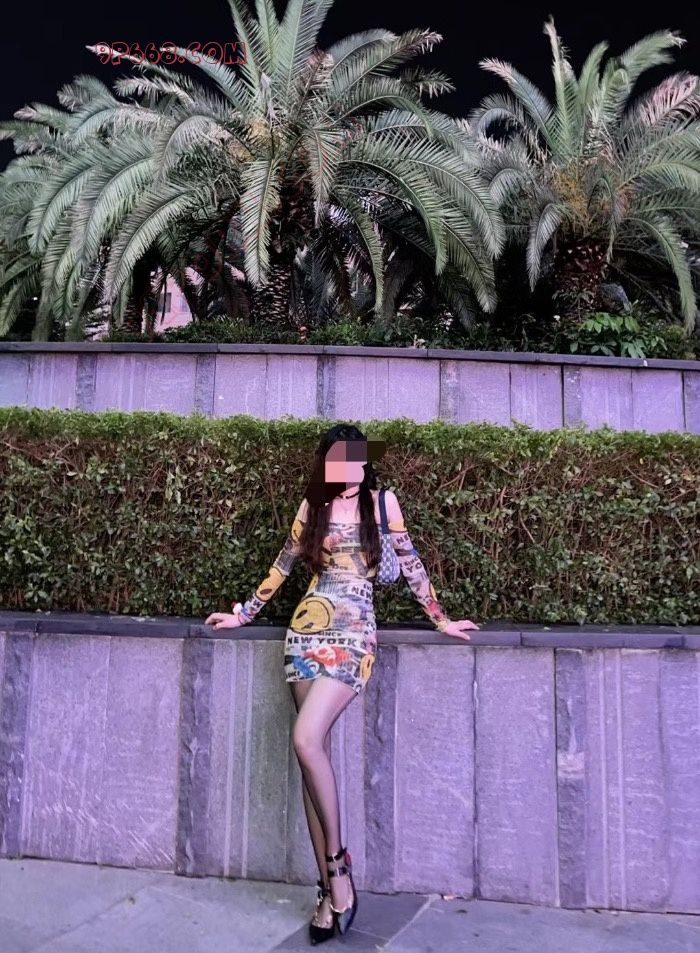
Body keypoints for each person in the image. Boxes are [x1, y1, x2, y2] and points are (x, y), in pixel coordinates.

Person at [205, 423, 479, 943]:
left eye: (355, 458)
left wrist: (441, 619)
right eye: (337, 459)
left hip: (354, 634)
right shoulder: (314, 505)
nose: (347, 466)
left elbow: (412, 564)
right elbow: (285, 562)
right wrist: (243, 613)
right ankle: (328, 894)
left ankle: (338, 868)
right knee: (313, 758)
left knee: (305, 739)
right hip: (306, 631)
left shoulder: (383, 504)